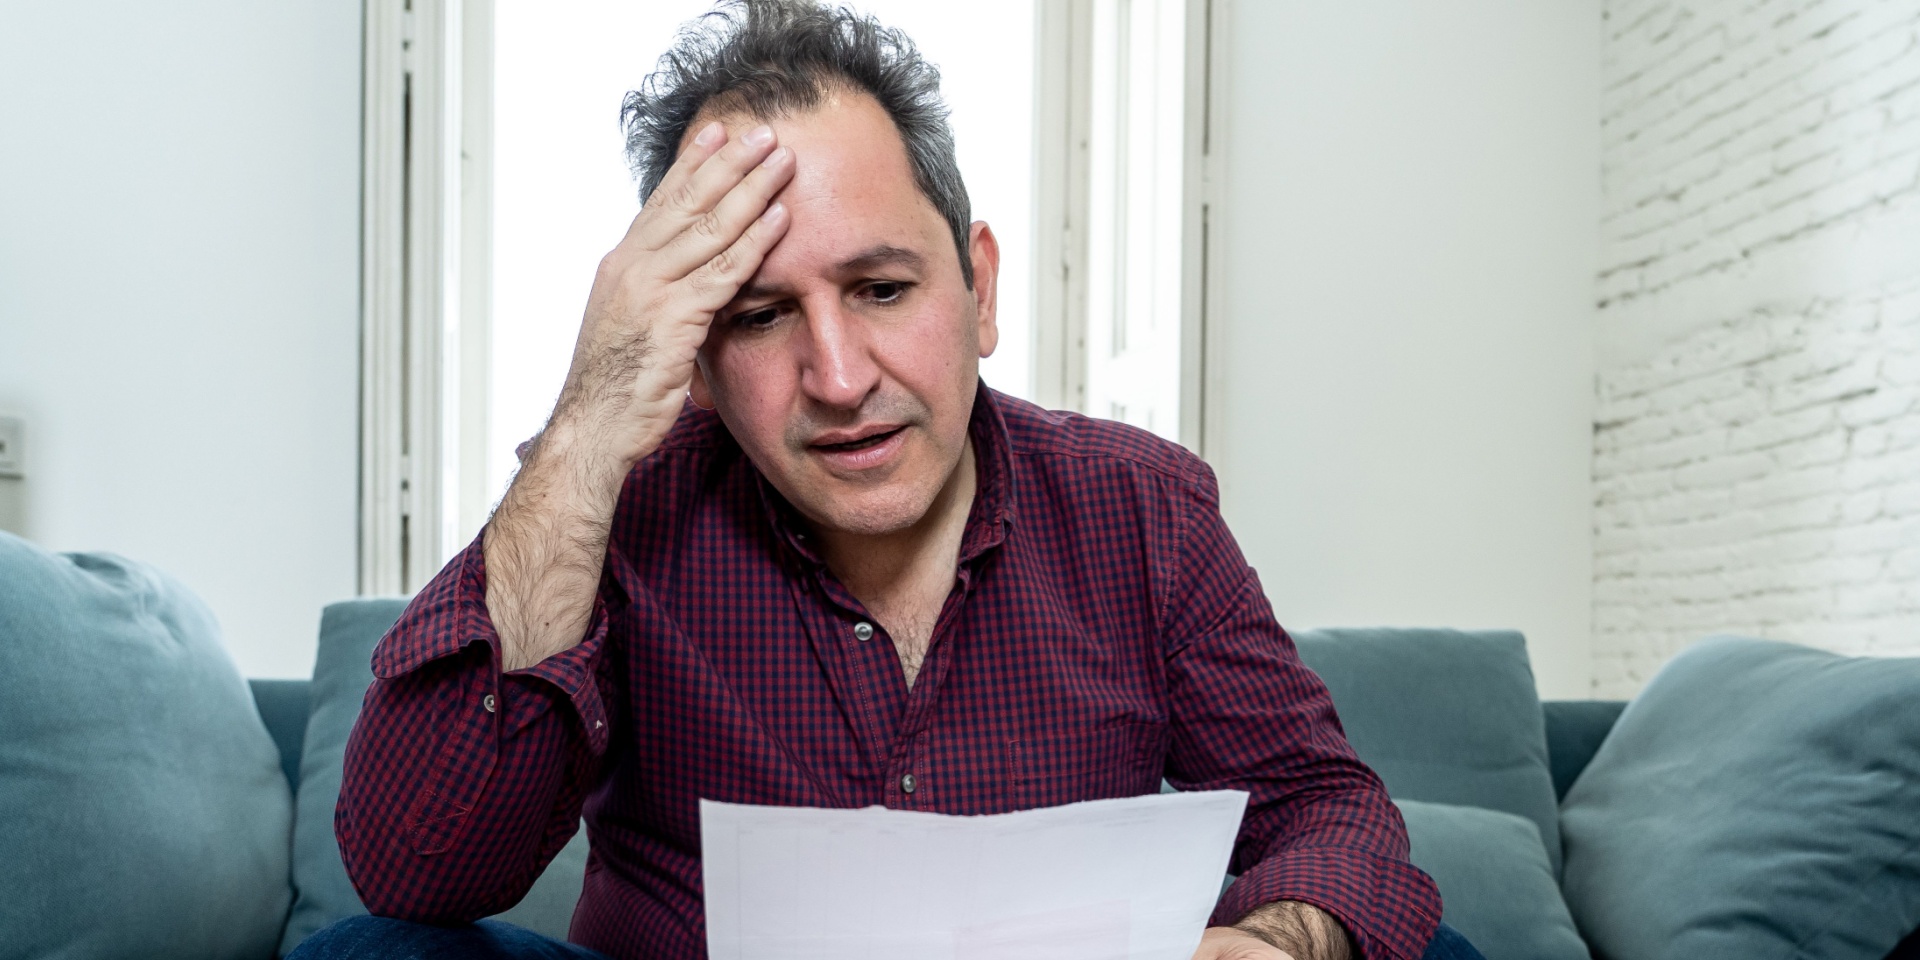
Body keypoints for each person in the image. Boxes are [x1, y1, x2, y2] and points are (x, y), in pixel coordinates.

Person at [297, 2, 1482, 959]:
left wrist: (1274, 942)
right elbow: (417, 869)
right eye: (760, 316)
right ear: (697, 357)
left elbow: (1327, 812)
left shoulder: (1142, 510)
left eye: (881, 289)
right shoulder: (629, 509)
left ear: (980, 288)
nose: (838, 374)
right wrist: (590, 423)